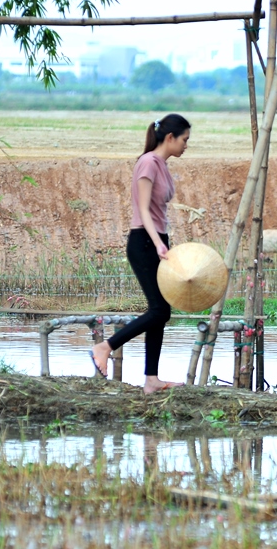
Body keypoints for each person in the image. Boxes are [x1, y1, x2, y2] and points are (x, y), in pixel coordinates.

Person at [91, 114, 191, 394]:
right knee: (160, 310)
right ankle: (105, 347)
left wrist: (163, 241)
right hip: (144, 241)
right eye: (184, 140)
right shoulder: (148, 162)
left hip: (156, 240)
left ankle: (151, 379)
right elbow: (143, 209)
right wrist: (158, 243)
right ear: (170, 137)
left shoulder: (162, 164)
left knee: (160, 311)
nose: (186, 146)